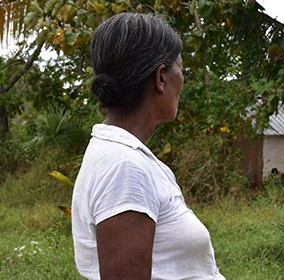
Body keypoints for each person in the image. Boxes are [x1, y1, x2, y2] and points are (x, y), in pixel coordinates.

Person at [71, 13, 224, 279]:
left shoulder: (123, 155)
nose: (183, 81)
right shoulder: (124, 168)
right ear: (161, 78)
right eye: (181, 69)